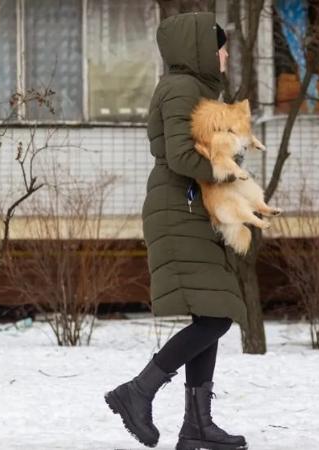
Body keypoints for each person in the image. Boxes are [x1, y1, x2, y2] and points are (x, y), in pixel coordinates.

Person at [105, 12, 248, 450]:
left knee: (212, 312)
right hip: (179, 209)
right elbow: (181, 156)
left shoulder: (197, 91)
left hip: (192, 209)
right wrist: (230, 175)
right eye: (220, 46)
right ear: (201, 48)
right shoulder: (182, 89)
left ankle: (196, 426)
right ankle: (138, 390)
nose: (225, 54)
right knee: (218, 315)